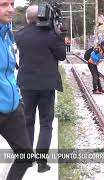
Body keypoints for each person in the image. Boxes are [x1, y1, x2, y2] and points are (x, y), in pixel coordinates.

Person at [15, 5, 66, 172]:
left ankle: (27, 160)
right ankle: (42, 163)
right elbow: (62, 56)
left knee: (27, 121)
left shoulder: (20, 34)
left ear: (27, 18)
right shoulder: (51, 35)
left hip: (26, 84)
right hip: (46, 85)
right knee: (45, 123)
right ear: (44, 17)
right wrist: (59, 35)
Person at [0, 0, 34, 179]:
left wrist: (18, 99)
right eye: (4, 4)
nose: (11, 9)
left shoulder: (7, 34)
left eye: (12, 4)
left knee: (26, 156)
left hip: (13, 108)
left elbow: (9, 71)